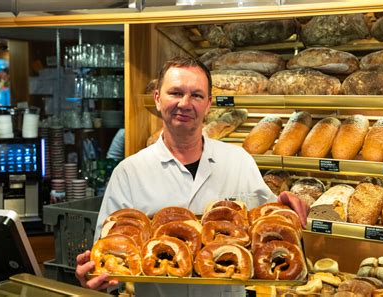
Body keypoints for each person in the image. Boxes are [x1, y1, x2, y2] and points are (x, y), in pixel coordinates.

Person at [75, 56, 276, 296]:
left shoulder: (239, 161)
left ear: (209, 104)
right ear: (158, 99)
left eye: (197, 95)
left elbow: (271, 229)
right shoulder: (129, 172)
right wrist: (91, 277)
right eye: (176, 93)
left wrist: (292, 209)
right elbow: (108, 254)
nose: (185, 103)